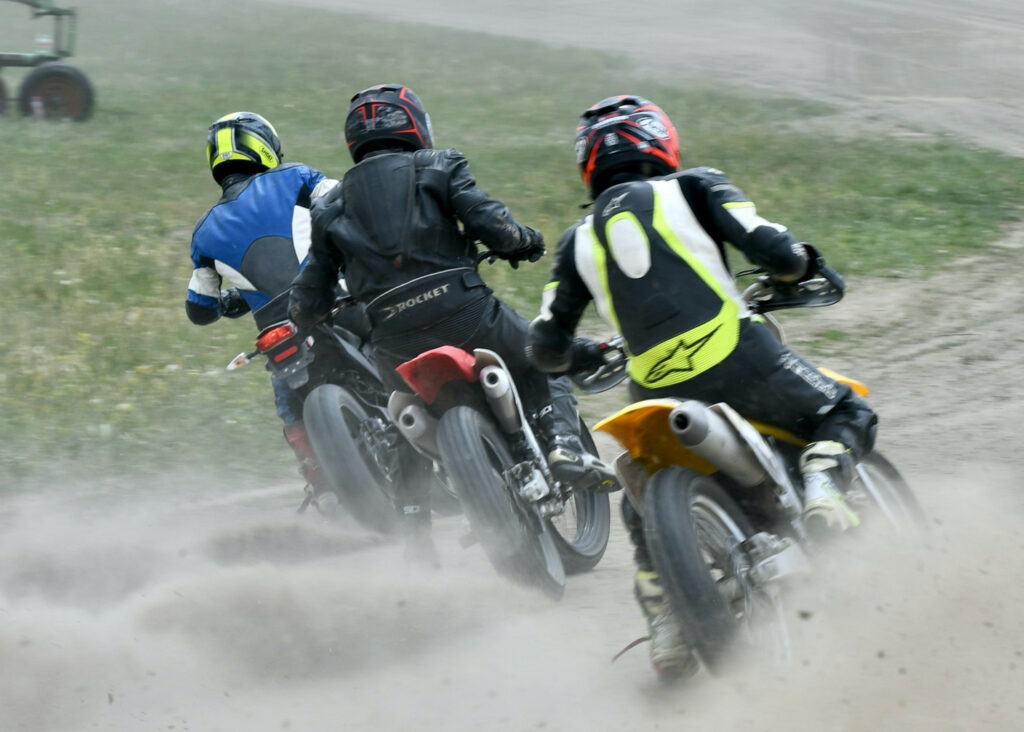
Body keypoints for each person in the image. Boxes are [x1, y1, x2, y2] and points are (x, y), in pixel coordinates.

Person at [527, 95, 878, 678]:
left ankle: (664, 614)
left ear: (588, 163)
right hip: (740, 357)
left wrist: (586, 353)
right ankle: (821, 486)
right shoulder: (696, 186)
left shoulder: (576, 240)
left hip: (652, 392)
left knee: (644, 494)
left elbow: (545, 347)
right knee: (846, 409)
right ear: (659, 140)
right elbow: (774, 250)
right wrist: (801, 266)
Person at [288, 84, 615, 563]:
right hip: (465, 314)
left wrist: (312, 313)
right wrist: (524, 241)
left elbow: (308, 294)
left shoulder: (329, 207)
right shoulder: (439, 165)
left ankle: (416, 526)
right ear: (414, 124)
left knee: (398, 415)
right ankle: (565, 446)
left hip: (394, 339)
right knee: (544, 356)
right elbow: (492, 224)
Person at [187, 110, 362, 515]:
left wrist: (234, 299)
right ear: (263, 145)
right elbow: (345, 203)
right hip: (334, 302)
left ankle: (318, 478)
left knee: (287, 400)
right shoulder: (296, 177)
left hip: (278, 332)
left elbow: (199, 309)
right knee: (392, 340)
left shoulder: (204, 231)